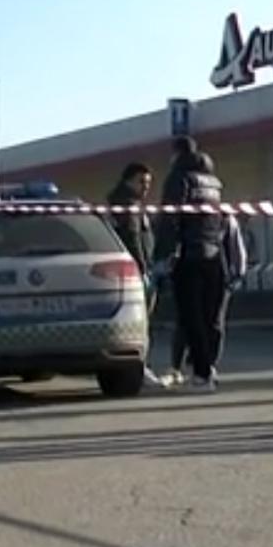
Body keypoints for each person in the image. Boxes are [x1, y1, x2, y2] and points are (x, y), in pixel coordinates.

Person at [153, 136, 225, 392]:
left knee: (190, 317)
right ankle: (207, 367)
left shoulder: (179, 177)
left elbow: (170, 218)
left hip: (188, 255)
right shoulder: (213, 182)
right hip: (213, 254)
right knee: (207, 316)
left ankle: (202, 374)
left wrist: (162, 254)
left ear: (177, 153)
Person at [107, 163, 163, 387]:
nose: (146, 187)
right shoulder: (127, 204)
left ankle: (140, 367)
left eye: (148, 183)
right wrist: (142, 268)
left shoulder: (132, 203)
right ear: (128, 180)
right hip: (136, 271)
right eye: (142, 182)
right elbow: (133, 238)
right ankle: (140, 368)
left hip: (138, 269)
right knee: (141, 323)